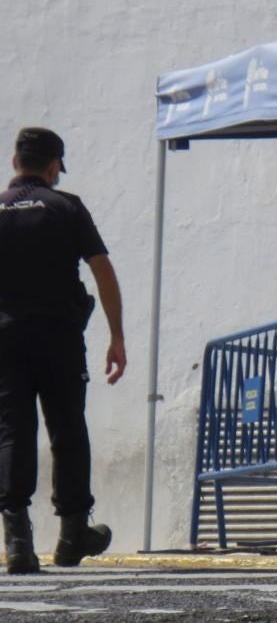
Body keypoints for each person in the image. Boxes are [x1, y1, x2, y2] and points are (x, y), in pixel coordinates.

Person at [0, 128, 125, 574]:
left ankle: (16, 539)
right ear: (53, 167)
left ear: (16, 163)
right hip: (59, 335)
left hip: (5, 338)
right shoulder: (65, 206)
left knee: (13, 430)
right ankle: (72, 535)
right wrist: (117, 336)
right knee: (67, 428)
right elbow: (102, 270)